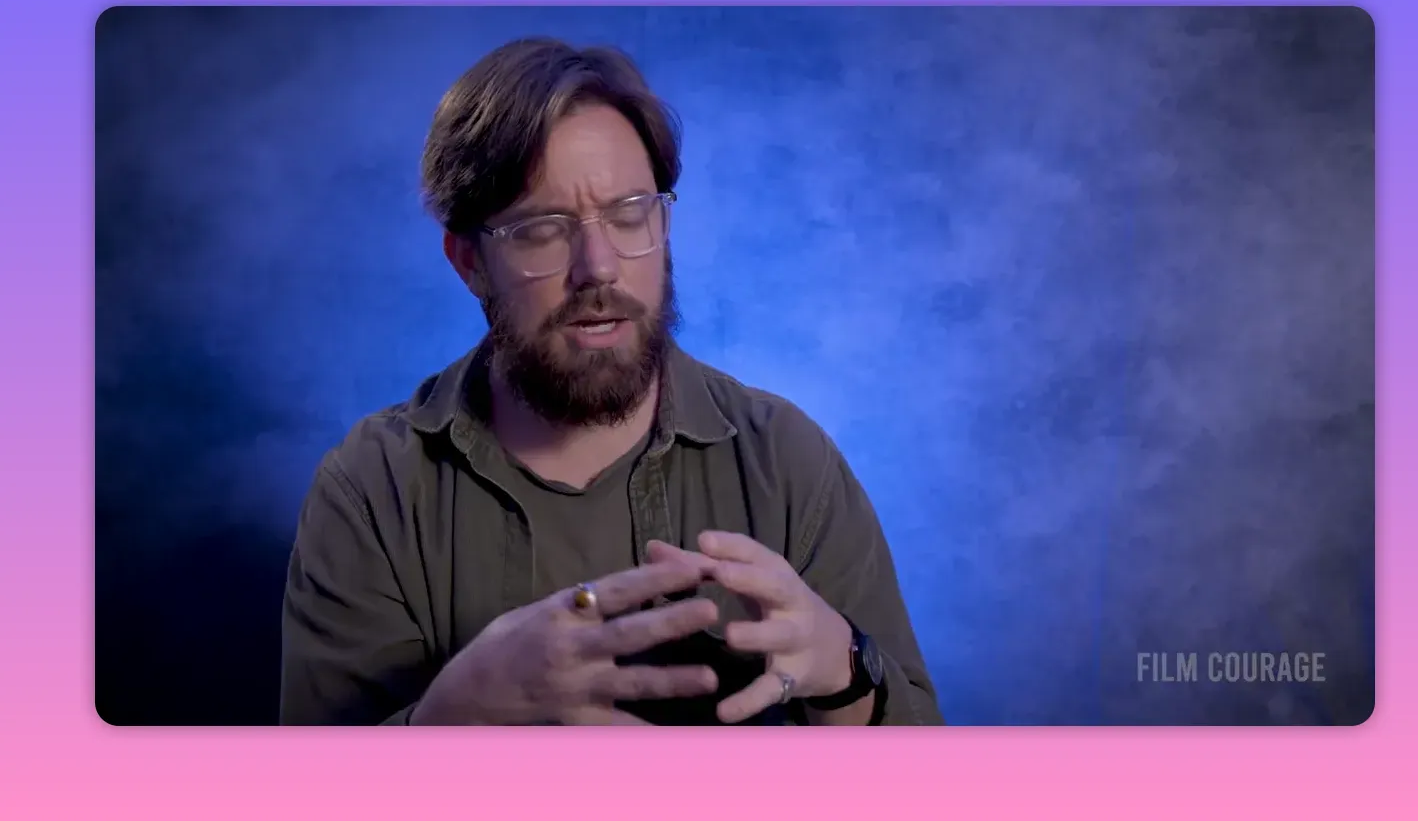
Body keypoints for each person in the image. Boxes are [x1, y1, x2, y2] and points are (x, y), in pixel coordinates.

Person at [279, 37, 943, 726]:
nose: (598, 267)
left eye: (629, 215)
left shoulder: (786, 462)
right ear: (469, 261)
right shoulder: (373, 489)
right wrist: (451, 720)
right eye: (544, 228)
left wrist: (844, 666)